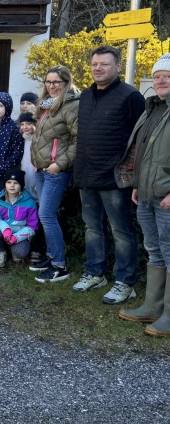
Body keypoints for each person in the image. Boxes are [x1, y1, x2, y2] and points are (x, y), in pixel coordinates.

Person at [73, 46, 145, 304]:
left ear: (117, 66)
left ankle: (125, 282)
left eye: (104, 64)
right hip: (87, 176)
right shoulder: (86, 95)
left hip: (115, 178)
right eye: (94, 64)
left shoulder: (131, 96)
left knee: (122, 231)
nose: (98, 68)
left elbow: (141, 139)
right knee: (92, 227)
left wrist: (132, 174)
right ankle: (95, 273)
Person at [116, 54, 170, 335]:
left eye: (167, 76)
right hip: (147, 193)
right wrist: (136, 182)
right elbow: (142, 151)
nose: (161, 80)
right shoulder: (152, 108)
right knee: (155, 250)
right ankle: (152, 307)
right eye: (157, 76)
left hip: (166, 196)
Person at [29, 65, 79, 283]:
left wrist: (59, 164)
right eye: (48, 82)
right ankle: (51, 257)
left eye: (56, 82)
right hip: (41, 168)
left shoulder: (71, 106)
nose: (51, 86)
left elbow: (78, 141)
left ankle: (60, 265)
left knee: (46, 215)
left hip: (56, 171)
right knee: (47, 214)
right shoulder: (46, 106)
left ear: (66, 83)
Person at [0, 169, 38, 268]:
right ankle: (1, 252)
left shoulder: (30, 203)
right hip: (4, 231)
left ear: (21, 185)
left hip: (20, 232)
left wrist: (16, 237)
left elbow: (32, 227)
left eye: (16, 183)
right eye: (9, 182)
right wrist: (6, 229)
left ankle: (13, 246)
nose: (12, 185)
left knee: (20, 254)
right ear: (5, 184)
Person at [18, 113, 38, 200]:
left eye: (28, 124)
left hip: (35, 169)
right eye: (22, 124)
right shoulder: (21, 138)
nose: (25, 127)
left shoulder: (38, 138)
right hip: (24, 168)